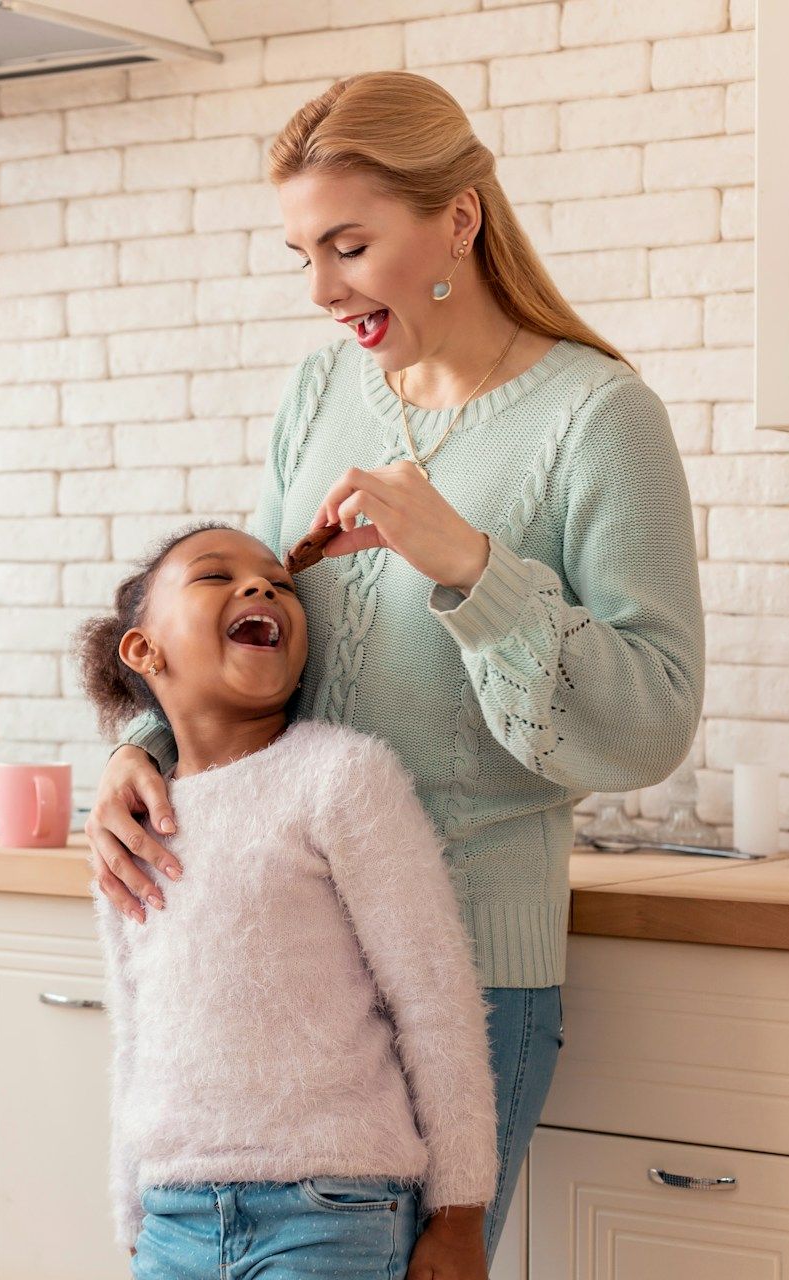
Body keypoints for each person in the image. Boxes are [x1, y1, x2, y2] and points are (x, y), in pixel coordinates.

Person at [84, 71, 706, 1262]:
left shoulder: (599, 417)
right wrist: (137, 748)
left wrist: (474, 568)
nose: (323, 291)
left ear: (458, 221)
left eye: (350, 245)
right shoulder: (321, 391)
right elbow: (244, 640)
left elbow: (651, 724)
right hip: (277, 955)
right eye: (302, 254)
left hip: (463, 979)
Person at [75, 522, 496, 1279]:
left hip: (332, 1212)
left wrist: (461, 1211)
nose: (263, 586)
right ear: (143, 651)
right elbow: (135, 1035)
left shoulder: (340, 777)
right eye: (214, 576)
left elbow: (435, 999)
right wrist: (130, 1215)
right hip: (172, 1220)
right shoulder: (132, 829)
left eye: (278, 580)